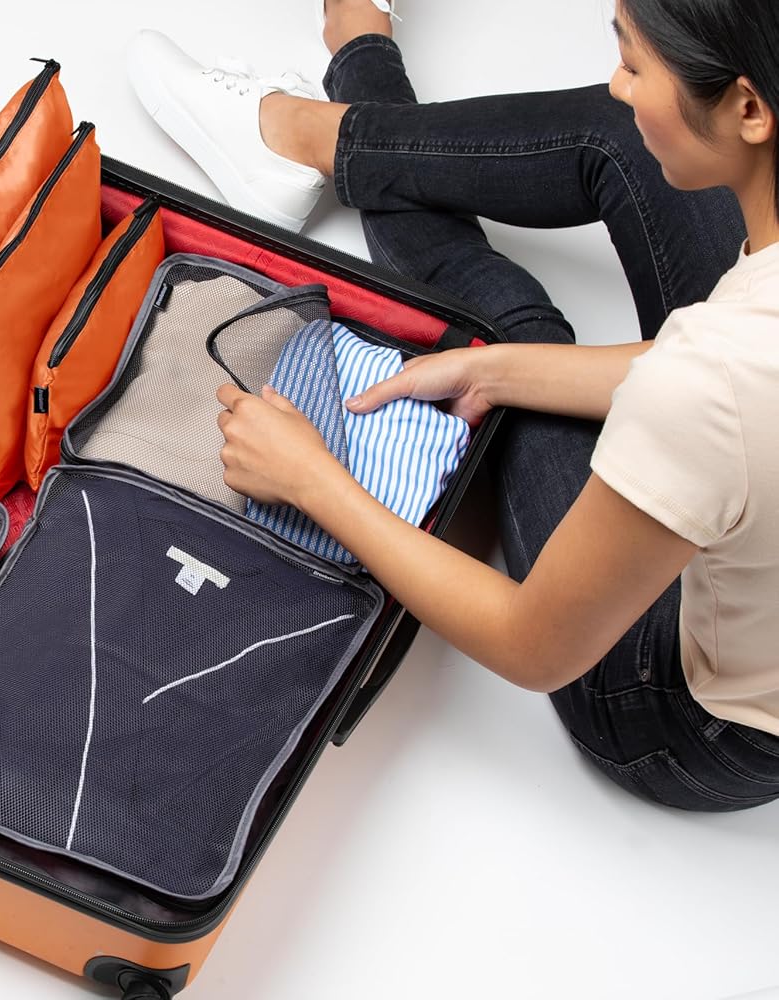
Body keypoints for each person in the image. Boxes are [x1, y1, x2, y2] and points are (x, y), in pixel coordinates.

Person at [126, 0, 779, 810]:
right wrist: (500, 373)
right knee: (609, 145)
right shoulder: (734, 348)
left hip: (683, 719)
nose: (618, 82)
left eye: (636, 64)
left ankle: (325, 104)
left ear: (750, 107)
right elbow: (734, 378)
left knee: (503, 315)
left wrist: (313, 481)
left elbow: (534, 643)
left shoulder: (716, 377)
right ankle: (326, 112)